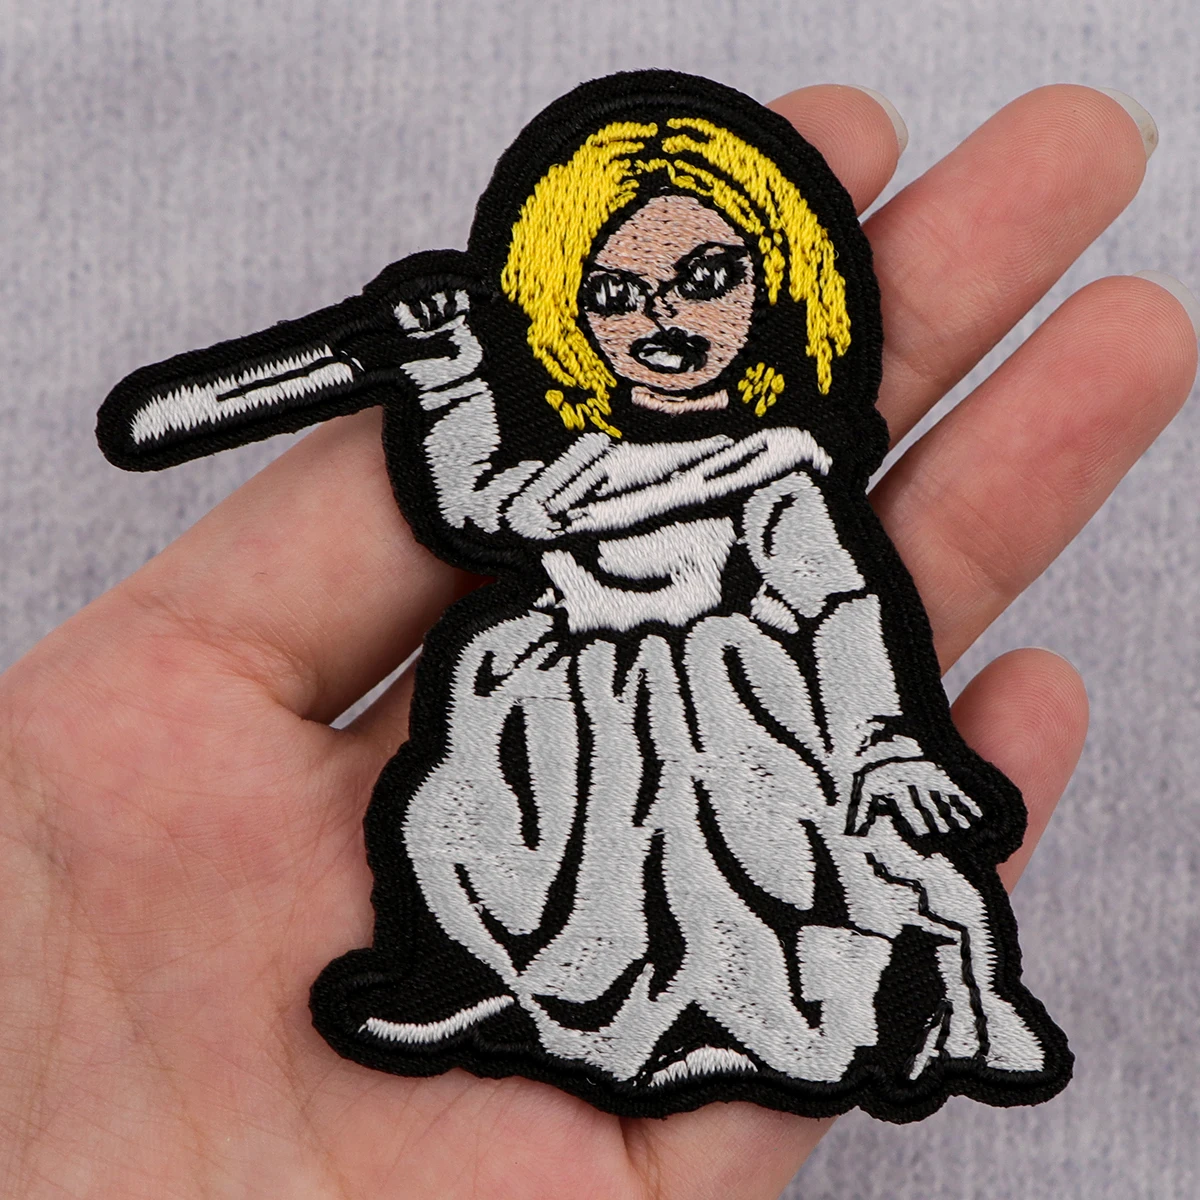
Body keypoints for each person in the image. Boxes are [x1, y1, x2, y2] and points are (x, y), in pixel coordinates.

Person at [0, 79, 1191, 1199]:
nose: (661, 318)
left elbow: (839, 607)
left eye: (705, 277)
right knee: (465, 832)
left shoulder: (774, 469)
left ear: (777, 284)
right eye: (617, 293)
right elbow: (478, 507)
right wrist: (453, 375)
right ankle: (485, 977)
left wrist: (881, 740)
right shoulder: (576, 465)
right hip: (555, 709)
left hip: (733, 716)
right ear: (564, 309)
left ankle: (773, 1002)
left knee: (746, 879)